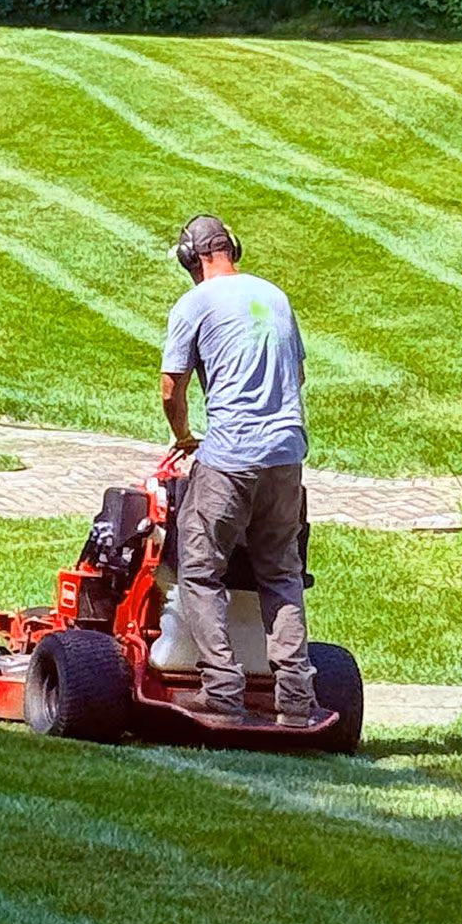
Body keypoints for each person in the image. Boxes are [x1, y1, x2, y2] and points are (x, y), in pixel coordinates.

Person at [159, 214, 316, 727]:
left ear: (191, 258)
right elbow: (297, 374)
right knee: (282, 572)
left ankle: (223, 690)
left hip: (229, 456)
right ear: (233, 250)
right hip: (286, 456)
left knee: (201, 569)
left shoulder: (194, 304)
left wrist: (184, 437)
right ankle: (295, 698)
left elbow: (171, 388)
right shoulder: (275, 297)